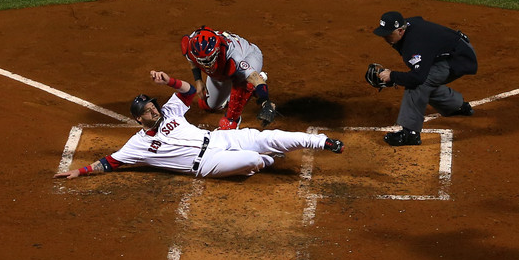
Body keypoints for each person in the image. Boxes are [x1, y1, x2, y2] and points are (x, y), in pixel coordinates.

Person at [54, 70, 343, 181]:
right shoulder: (138, 145)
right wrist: (80, 171)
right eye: (147, 110)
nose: (154, 109)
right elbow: (111, 162)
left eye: (153, 104)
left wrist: (168, 81)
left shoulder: (170, 111)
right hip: (207, 165)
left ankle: (322, 142)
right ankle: (269, 159)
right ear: (138, 118)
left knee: (265, 136)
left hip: (219, 139)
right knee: (257, 159)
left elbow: (188, 92)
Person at [371, 11, 478, 146]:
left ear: (400, 31)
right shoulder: (406, 29)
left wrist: (392, 76)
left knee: (418, 84)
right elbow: (418, 20)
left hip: (458, 58)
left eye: (388, 34)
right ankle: (456, 106)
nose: (385, 38)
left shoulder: (414, 44)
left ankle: (410, 133)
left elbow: (417, 78)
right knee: (425, 82)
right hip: (450, 51)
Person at [181, 26, 275, 130]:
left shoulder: (233, 56)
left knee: (244, 82)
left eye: (209, 59)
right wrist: (198, 80)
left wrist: (266, 102)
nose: (206, 64)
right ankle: (233, 96)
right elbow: (191, 59)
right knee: (208, 105)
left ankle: (232, 120)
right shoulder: (192, 44)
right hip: (223, 71)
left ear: (217, 51)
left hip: (249, 55)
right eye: (202, 61)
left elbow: (253, 77)